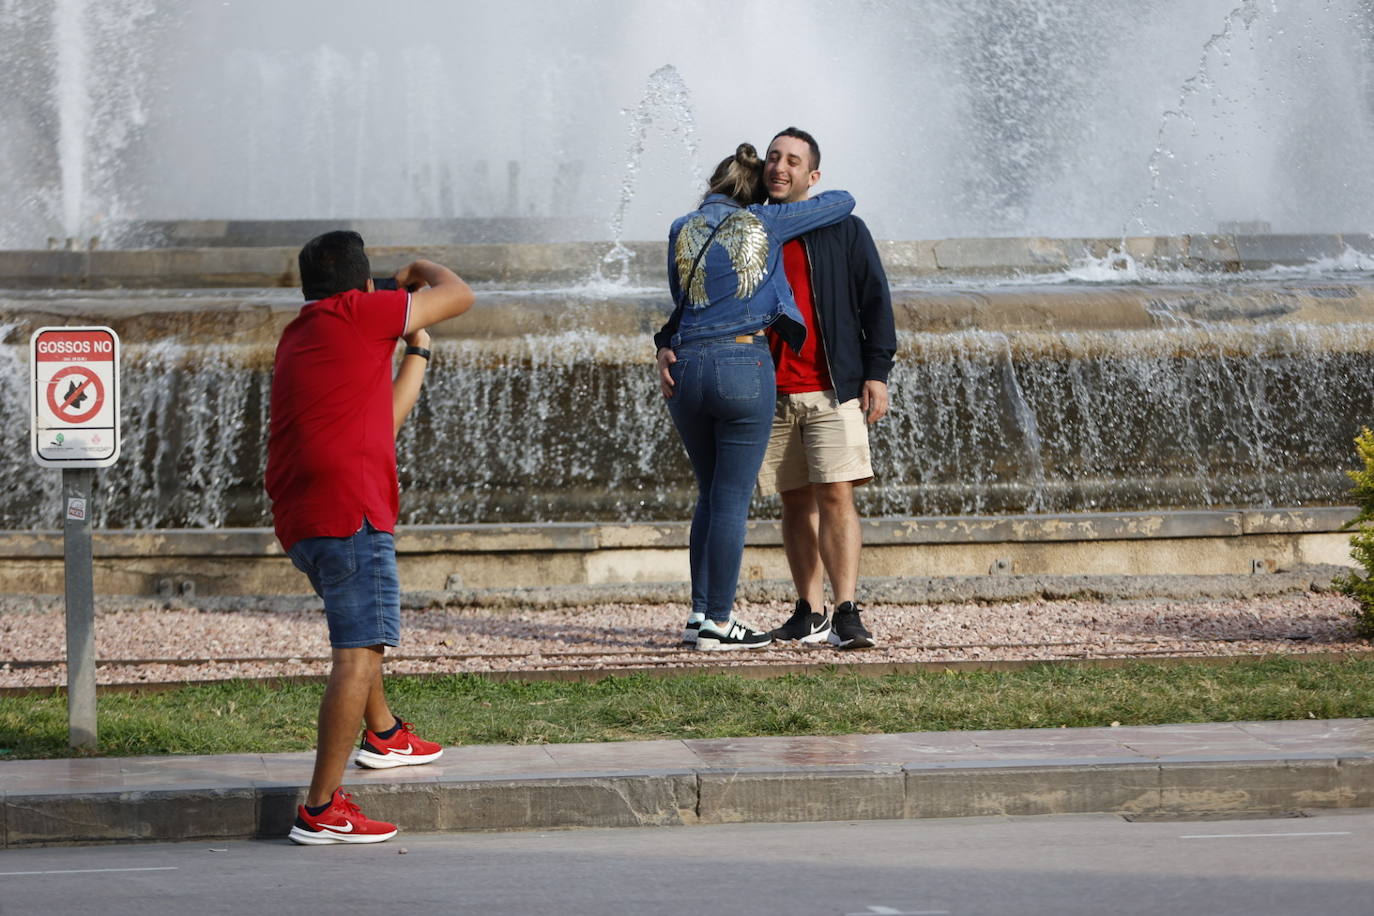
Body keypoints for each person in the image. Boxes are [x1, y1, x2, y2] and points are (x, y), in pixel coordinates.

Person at [266, 230, 474, 844]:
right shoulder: (360, 311)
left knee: (361, 637)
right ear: (359, 286)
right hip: (349, 510)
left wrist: (418, 350)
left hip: (303, 514)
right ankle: (321, 807)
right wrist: (418, 268)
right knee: (358, 651)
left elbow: (381, 422)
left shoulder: (303, 331)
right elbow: (459, 294)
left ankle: (382, 734)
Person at [655, 142, 855, 650]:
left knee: (707, 493)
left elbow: (685, 301)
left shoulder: (682, 227)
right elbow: (844, 201)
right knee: (730, 500)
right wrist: (800, 189)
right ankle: (721, 621)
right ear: (753, 193)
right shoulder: (762, 225)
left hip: (685, 367)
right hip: (741, 364)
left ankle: (699, 615)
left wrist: (664, 347)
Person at [755, 126, 897, 649]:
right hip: (768, 390)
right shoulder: (751, 230)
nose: (779, 167)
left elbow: (874, 299)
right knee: (793, 502)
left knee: (837, 495)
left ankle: (846, 609)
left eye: (793, 160)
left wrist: (877, 372)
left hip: (831, 386)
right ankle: (808, 610)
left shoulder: (845, 229)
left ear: (812, 176)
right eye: (773, 157)